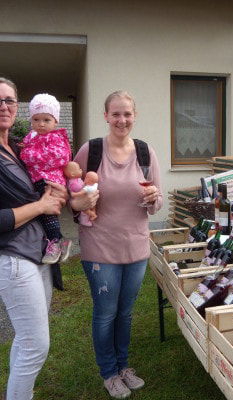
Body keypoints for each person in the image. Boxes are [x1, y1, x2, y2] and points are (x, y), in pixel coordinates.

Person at [0, 77, 96, 400]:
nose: (3, 106)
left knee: (26, 340)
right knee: (36, 345)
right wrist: (40, 205)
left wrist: (71, 198)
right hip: (14, 255)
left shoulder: (17, 147)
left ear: (18, 107)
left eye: (10, 100)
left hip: (39, 253)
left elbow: (47, 183)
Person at [70, 90, 163, 399]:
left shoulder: (146, 152)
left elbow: (158, 199)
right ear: (106, 116)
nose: (122, 120)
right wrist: (80, 200)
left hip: (136, 247)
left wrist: (154, 198)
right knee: (106, 312)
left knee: (125, 313)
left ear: (134, 116)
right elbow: (73, 194)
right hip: (100, 247)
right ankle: (108, 372)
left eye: (127, 114)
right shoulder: (91, 150)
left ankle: (123, 366)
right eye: (116, 114)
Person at [19, 93, 73, 264]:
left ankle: (56, 241)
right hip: (36, 181)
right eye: (36, 119)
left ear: (55, 121)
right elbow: (23, 153)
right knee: (40, 213)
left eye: (46, 120)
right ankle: (55, 242)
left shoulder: (56, 137)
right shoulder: (30, 137)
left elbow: (61, 157)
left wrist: (30, 155)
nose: (41, 124)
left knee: (48, 213)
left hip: (50, 182)